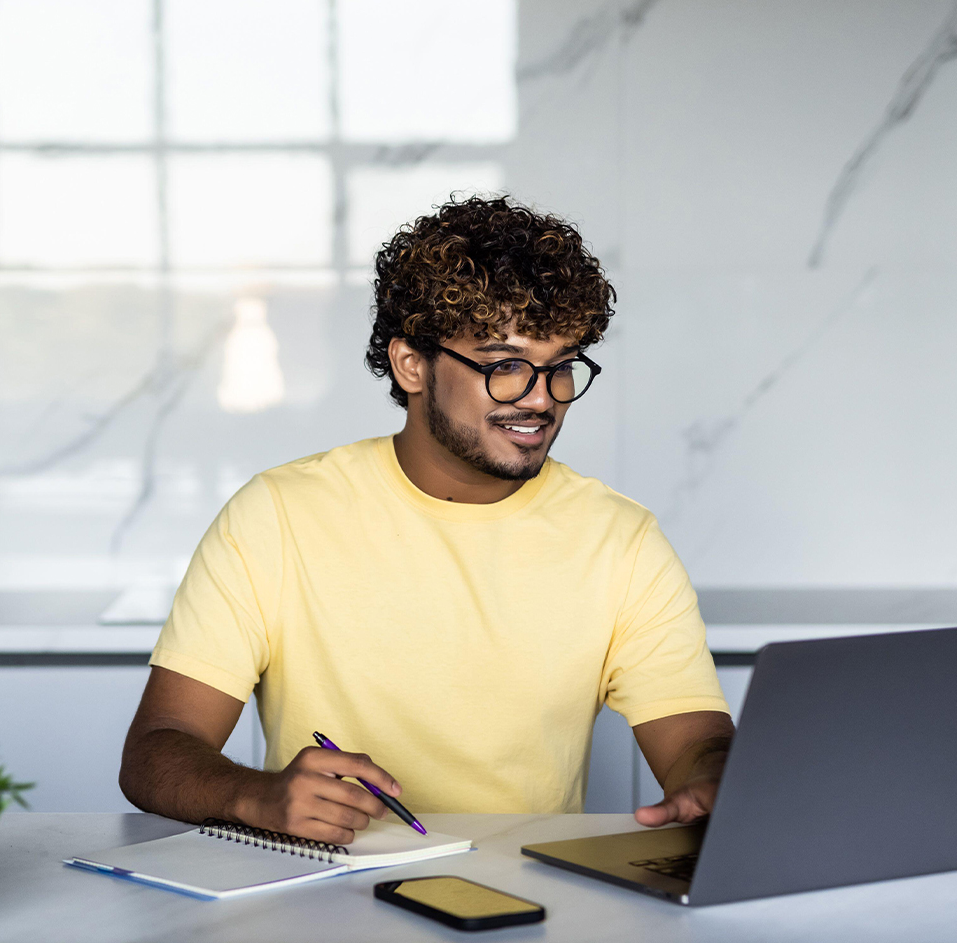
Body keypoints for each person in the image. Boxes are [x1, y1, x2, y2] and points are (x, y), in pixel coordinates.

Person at [120, 195, 734, 846]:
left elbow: (695, 740)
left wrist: (716, 780)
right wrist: (256, 795)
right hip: (325, 901)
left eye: (561, 368)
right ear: (413, 364)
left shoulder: (620, 539)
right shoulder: (277, 516)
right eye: (505, 366)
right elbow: (159, 747)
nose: (541, 398)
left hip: (533, 902)